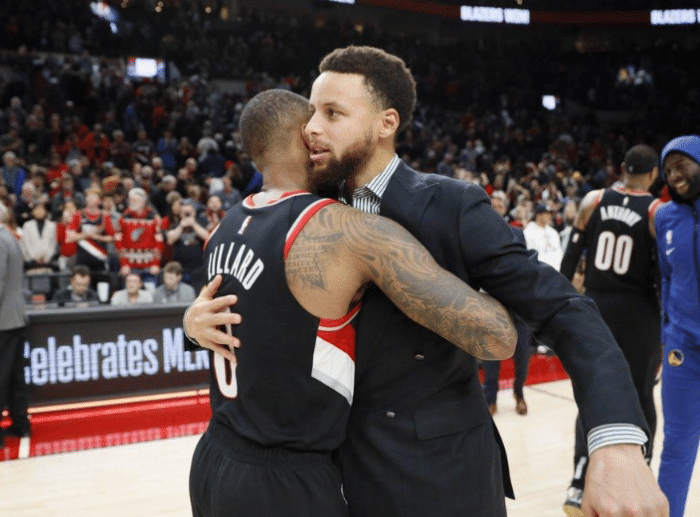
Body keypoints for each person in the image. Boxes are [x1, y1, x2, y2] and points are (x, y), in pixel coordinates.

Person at [185, 46, 668, 517]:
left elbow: (563, 308)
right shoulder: (311, 204)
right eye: (311, 112)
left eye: (332, 113)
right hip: (336, 475)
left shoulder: (453, 205)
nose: (311, 127)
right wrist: (192, 322)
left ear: (386, 123)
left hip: (438, 476)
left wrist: (617, 440)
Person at [186, 89, 517, 517]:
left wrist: (188, 324)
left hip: (212, 461)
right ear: (308, 138)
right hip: (286, 481)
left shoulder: (224, 227)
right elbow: (497, 339)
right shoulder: (344, 231)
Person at [560, 143, 664, 516]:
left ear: (622, 168)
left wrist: (560, 307)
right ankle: (642, 469)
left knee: (592, 391)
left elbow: (569, 260)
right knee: (641, 394)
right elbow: (662, 276)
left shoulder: (594, 200)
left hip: (596, 307)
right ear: (653, 174)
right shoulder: (655, 210)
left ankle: (578, 480)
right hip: (639, 312)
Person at [655, 135, 700, 517]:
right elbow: (667, 276)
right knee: (676, 446)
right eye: (668, 169)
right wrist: (665, 332)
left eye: (682, 164)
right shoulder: (665, 216)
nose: (674, 174)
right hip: (683, 349)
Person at [481, 191, 534, 416]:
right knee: (491, 355)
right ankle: (490, 398)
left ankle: (519, 393)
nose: (496, 209)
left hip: (516, 300)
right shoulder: (476, 234)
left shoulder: (518, 234)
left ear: (505, 209)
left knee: (522, 353)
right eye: (492, 206)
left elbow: (526, 263)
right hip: (490, 302)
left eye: (499, 206)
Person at [0, 202, 31, 446]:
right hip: (16, 316)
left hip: (3, 320)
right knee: (15, 377)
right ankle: (21, 424)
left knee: (2, 377)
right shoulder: (10, 237)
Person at [524, 203, 564, 270]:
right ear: (538, 215)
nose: (549, 216)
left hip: (557, 270)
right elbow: (531, 256)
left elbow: (559, 252)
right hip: (540, 270)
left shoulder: (553, 232)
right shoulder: (528, 232)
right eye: (546, 214)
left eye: (550, 214)